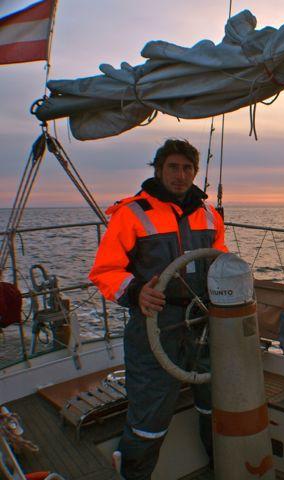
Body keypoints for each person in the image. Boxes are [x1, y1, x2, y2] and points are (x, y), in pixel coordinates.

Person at [89, 138, 227, 479]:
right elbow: (105, 272)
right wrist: (136, 293)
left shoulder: (209, 214)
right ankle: (134, 474)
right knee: (150, 414)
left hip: (202, 322)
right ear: (158, 169)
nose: (180, 175)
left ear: (195, 172)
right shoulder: (131, 214)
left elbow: (219, 260)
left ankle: (221, 467)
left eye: (187, 168)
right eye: (173, 167)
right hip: (154, 326)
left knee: (215, 404)